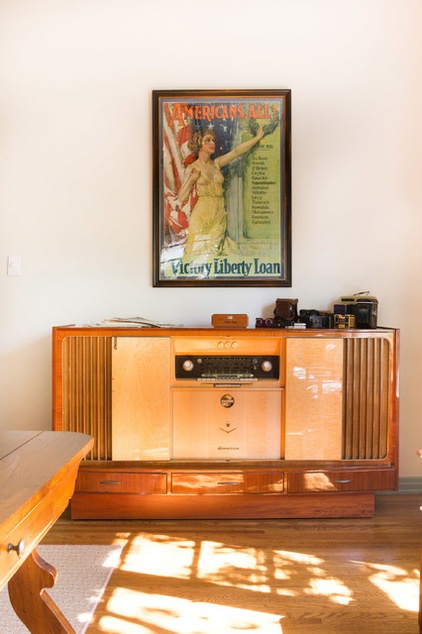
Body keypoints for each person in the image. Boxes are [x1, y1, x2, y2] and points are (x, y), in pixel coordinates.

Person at [177, 124, 264, 261]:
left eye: (213, 140)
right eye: (208, 140)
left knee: (213, 255)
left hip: (218, 216)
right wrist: (191, 180)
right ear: (199, 143)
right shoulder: (192, 168)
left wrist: (257, 137)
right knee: (194, 253)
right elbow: (181, 197)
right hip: (201, 216)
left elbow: (236, 152)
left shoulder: (217, 163)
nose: (212, 143)